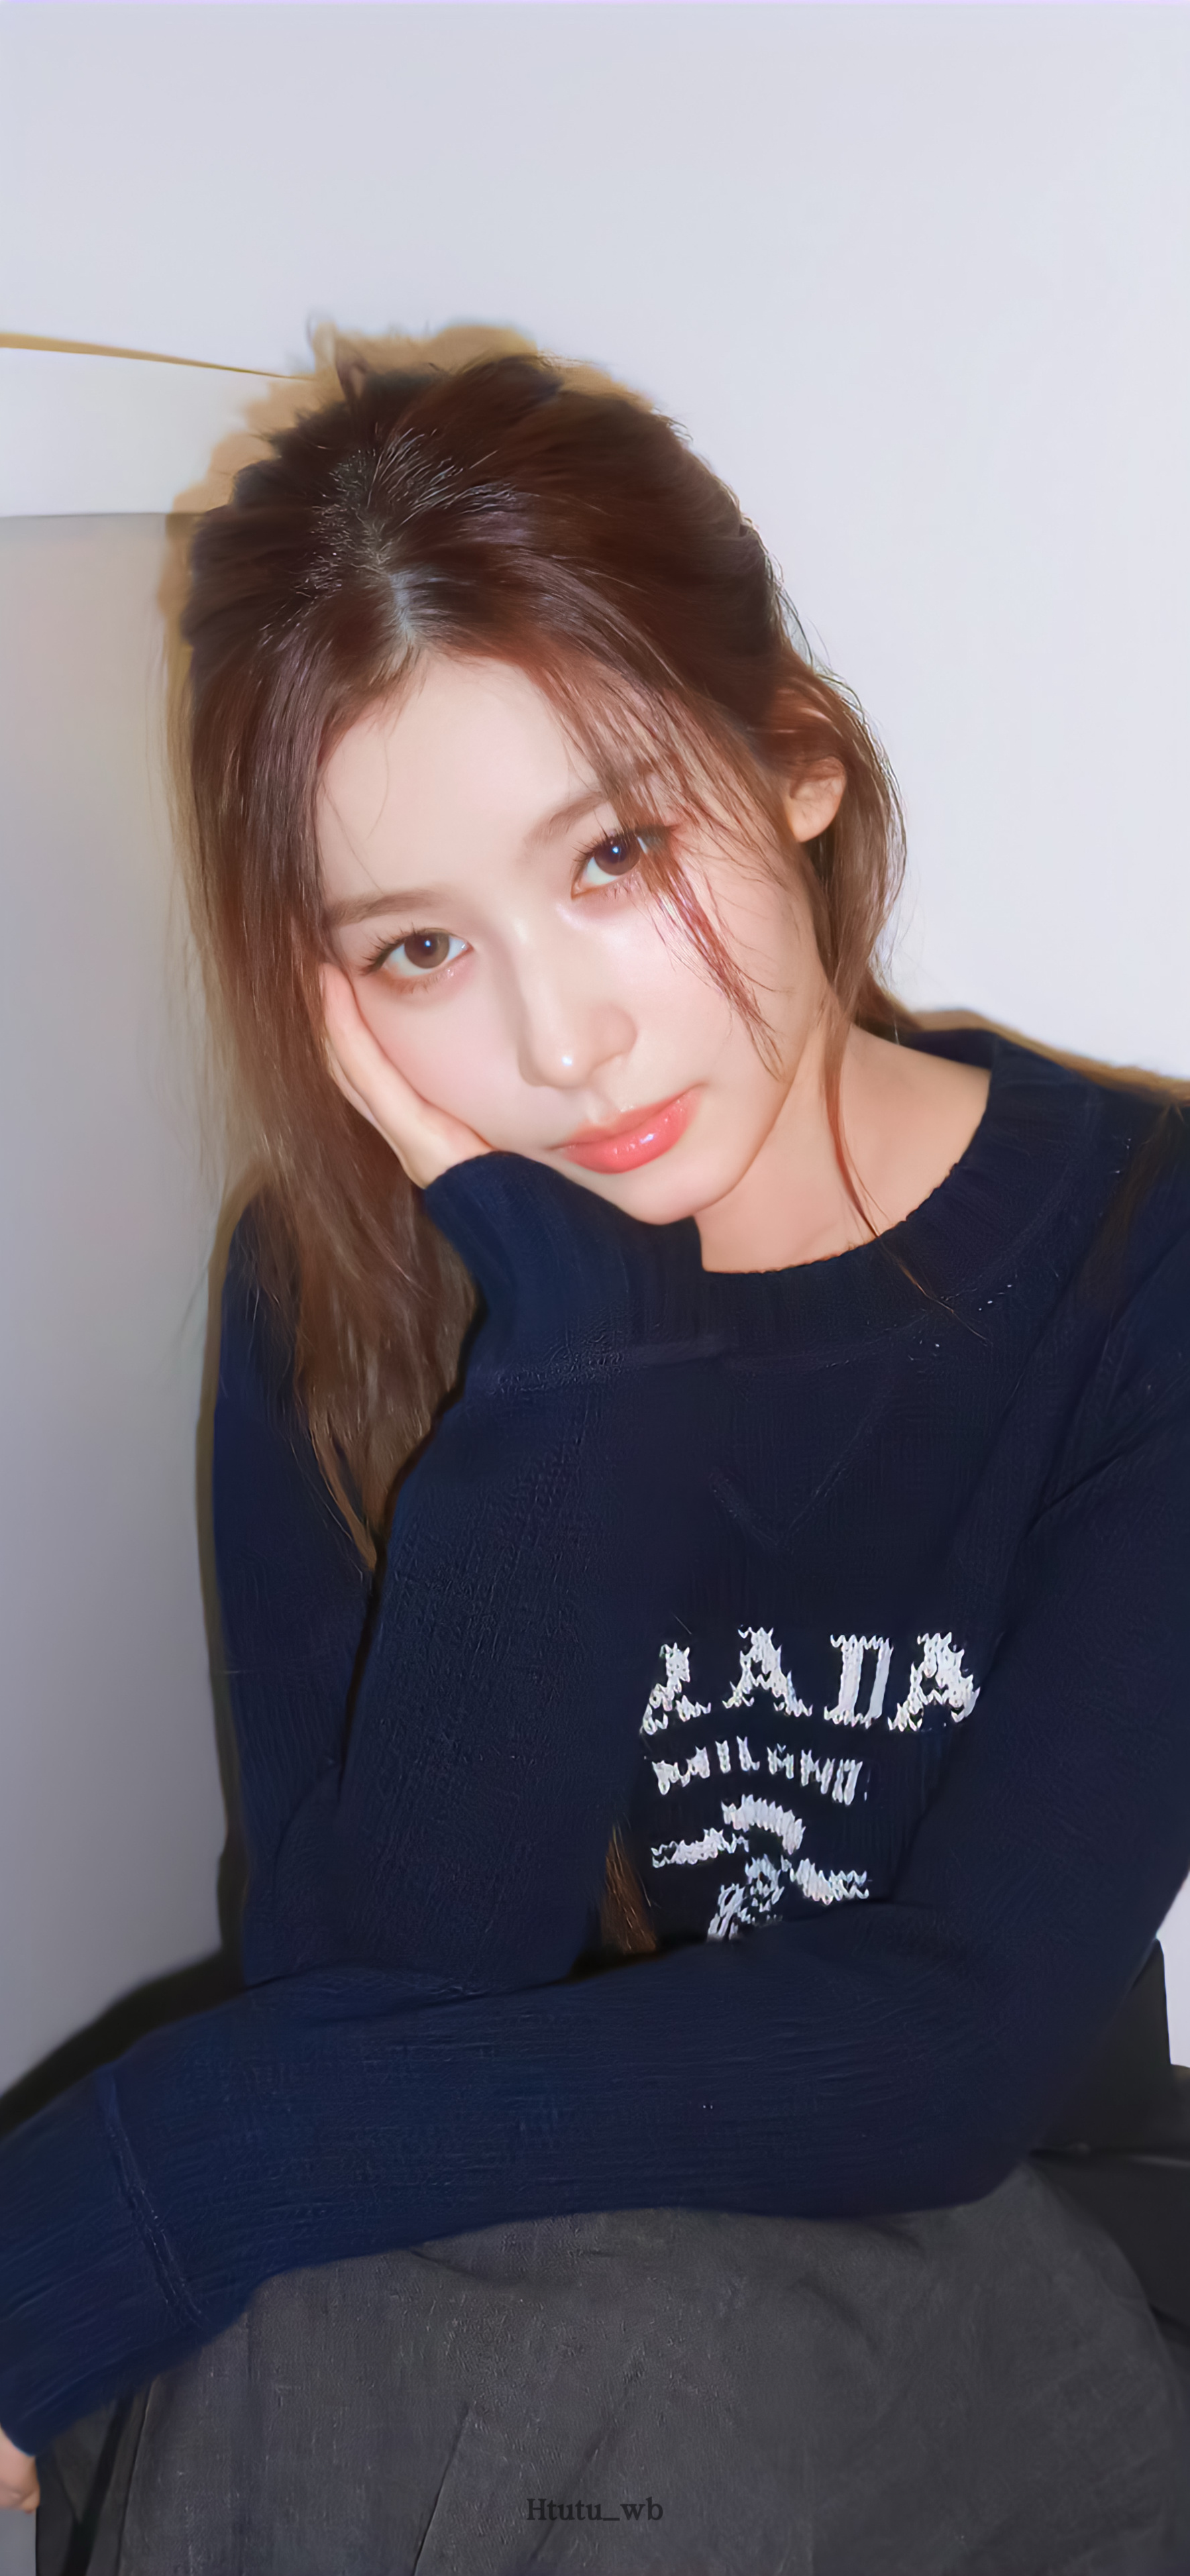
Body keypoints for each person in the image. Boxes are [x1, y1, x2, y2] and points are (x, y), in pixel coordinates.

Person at [3, 342, 1190, 2574]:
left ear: (798, 760)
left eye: (617, 854)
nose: (563, 1041)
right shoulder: (328, 1305)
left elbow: (953, 2056)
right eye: (422, 947)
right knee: (359, 2328)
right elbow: (387, 1992)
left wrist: (193, 2164)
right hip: (498, 2312)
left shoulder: (1148, 1259)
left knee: (485, 2332)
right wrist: (582, 1371)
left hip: (1034, 2274)